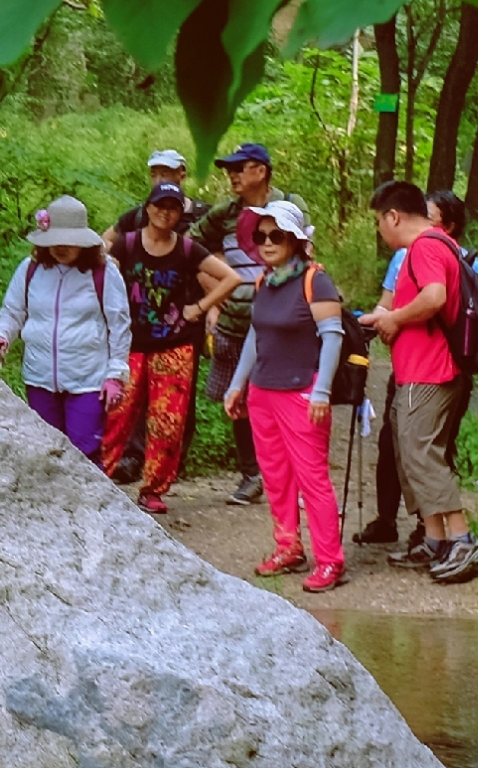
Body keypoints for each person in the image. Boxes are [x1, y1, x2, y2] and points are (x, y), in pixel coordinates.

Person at [361, 181, 478, 584]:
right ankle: (435, 539)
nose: (380, 230)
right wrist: (383, 319)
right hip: (420, 370)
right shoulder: (436, 245)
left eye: (379, 221)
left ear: (393, 216)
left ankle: (463, 539)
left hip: (429, 372)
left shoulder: (425, 247)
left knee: (422, 454)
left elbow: (435, 297)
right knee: (410, 452)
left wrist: (396, 318)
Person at [222, 199, 349, 591]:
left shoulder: (315, 280)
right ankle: (288, 547)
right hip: (263, 392)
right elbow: (255, 337)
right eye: (261, 236)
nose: (267, 242)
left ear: (294, 240)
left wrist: (322, 391)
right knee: (276, 477)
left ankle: (330, 560)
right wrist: (237, 384)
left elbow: (332, 337)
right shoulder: (264, 281)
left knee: (312, 479)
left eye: (276, 235)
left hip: (302, 392)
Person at [104, 183, 237, 512]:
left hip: (174, 346)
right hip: (129, 345)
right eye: (159, 205)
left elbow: (231, 278)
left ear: (180, 214)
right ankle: (98, 478)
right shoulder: (127, 244)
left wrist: (200, 307)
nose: (165, 211)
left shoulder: (187, 249)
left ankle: (153, 489)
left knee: (167, 422)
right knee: (115, 413)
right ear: (147, 208)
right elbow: (99, 270)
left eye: (173, 207)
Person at [0, 196, 130, 461]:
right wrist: (0, 335)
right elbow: (13, 311)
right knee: (46, 453)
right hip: (39, 377)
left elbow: (120, 325)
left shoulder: (103, 273)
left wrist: (116, 374)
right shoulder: (30, 270)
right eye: (55, 239)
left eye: (68, 240)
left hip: (88, 379)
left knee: (83, 453)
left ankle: (89, 503)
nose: (60, 247)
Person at [195, 140, 279, 504]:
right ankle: (251, 475)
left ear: (260, 171)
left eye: (239, 168)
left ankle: (285, 476)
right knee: (239, 398)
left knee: (280, 398)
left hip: (279, 324)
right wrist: (213, 296)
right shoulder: (224, 213)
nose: (231, 175)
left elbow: (307, 254)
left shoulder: (286, 207)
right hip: (235, 323)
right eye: (228, 168)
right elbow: (189, 249)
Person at [110, 149, 206, 246]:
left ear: (182, 176)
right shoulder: (140, 214)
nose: (158, 181)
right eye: (153, 175)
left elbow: (218, 254)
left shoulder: (204, 216)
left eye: (164, 175)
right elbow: (107, 241)